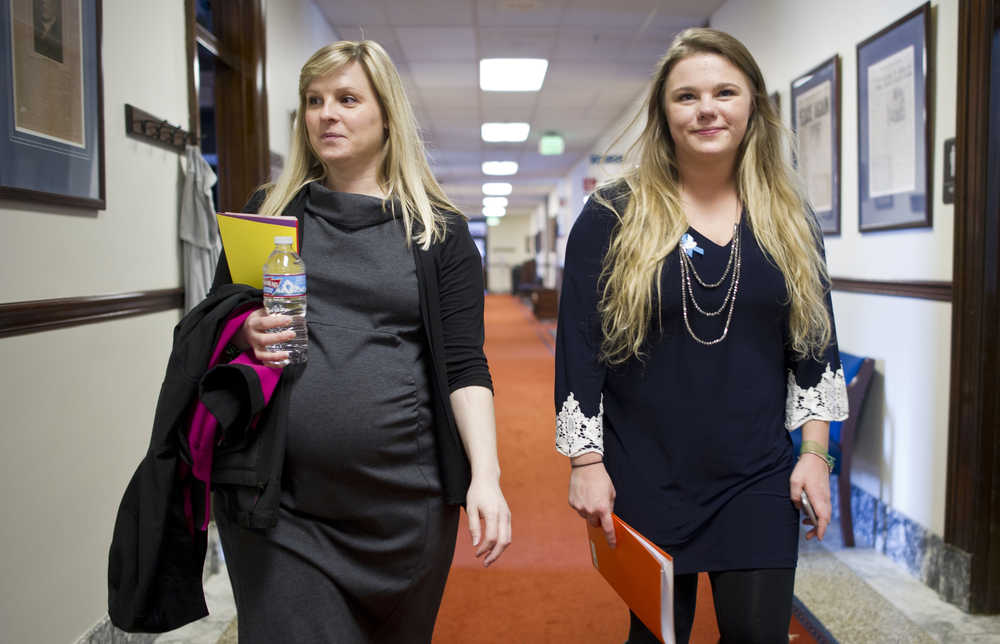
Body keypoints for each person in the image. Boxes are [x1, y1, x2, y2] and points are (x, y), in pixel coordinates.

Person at [211, 40, 511, 643]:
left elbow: (463, 364)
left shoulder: (439, 233)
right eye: (315, 101)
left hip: (402, 509)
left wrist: (487, 475)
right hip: (278, 503)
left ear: (386, 116)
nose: (328, 114)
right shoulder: (270, 214)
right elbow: (216, 321)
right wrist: (243, 328)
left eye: (348, 99)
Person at [555, 28, 847, 644]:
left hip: (757, 474)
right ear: (664, 113)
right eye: (686, 96)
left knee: (758, 634)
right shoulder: (613, 215)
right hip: (645, 471)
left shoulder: (789, 218)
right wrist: (586, 461)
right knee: (658, 638)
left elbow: (815, 347)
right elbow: (580, 347)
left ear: (753, 107)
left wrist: (816, 454)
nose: (707, 108)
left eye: (725, 92)